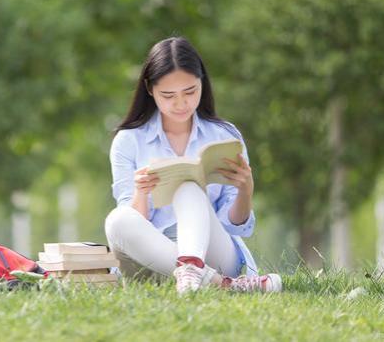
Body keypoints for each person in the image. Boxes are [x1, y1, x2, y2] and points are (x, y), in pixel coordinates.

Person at [104, 37, 282, 295]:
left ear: (202, 84)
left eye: (190, 92)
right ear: (150, 89)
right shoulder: (128, 141)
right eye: (168, 95)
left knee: (189, 187)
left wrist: (246, 190)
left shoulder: (224, 136)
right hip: (150, 261)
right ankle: (221, 285)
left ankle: (195, 272)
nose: (181, 104)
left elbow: (233, 227)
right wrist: (141, 192)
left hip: (214, 253)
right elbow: (134, 224)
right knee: (117, 220)